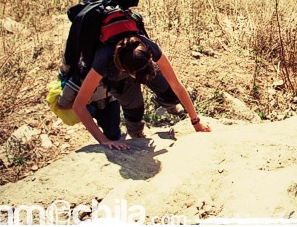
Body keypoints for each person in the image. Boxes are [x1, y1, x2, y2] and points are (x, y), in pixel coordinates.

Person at [73, 34, 210, 150]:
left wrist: (195, 121)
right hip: (118, 78)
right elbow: (78, 106)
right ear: (125, 70)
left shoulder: (149, 46)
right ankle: (136, 134)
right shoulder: (104, 61)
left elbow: (176, 85)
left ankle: (166, 102)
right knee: (135, 110)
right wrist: (104, 140)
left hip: (135, 66)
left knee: (170, 92)